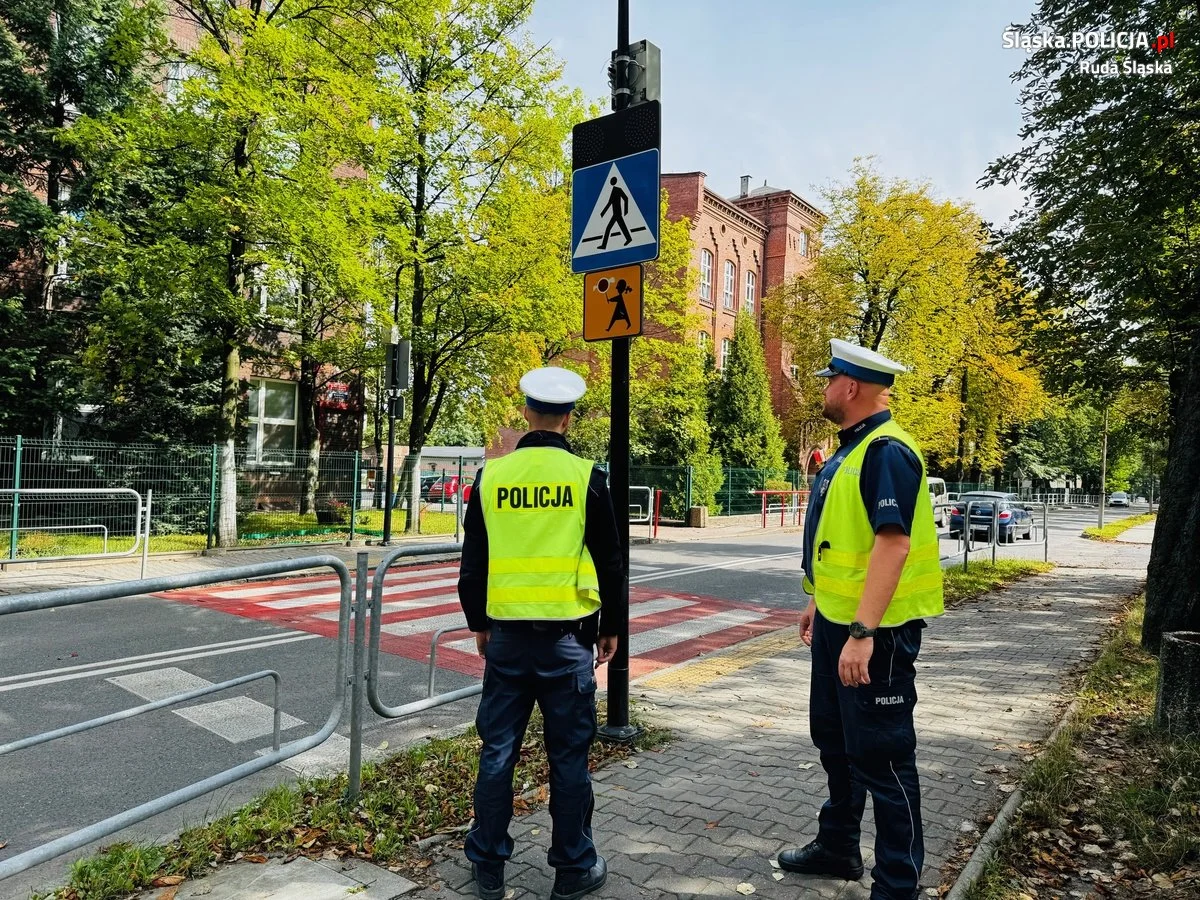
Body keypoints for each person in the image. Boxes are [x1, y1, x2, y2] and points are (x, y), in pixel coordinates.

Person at [779, 339, 945, 900]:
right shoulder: (851, 451)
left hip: (877, 635)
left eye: (829, 380)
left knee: (885, 756)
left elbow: (892, 547)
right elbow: (839, 542)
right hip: (837, 623)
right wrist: (817, 601)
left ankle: (898, 884)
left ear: (850, 388)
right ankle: (839, 847)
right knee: (835, 739)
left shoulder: (886, 451)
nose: (823, 389)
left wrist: (862, 633)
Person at [458, 366, 624, 900]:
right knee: (569, 757)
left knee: (498, 752)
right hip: (568, 642)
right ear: (568, 418)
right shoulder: (586, 477)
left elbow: (474, 560)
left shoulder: (492, 477)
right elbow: (611, 561)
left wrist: (479, 623)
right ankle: (573, 868)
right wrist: (612, 628)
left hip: (505, 638)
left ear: (526, 412)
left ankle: (487, 866)